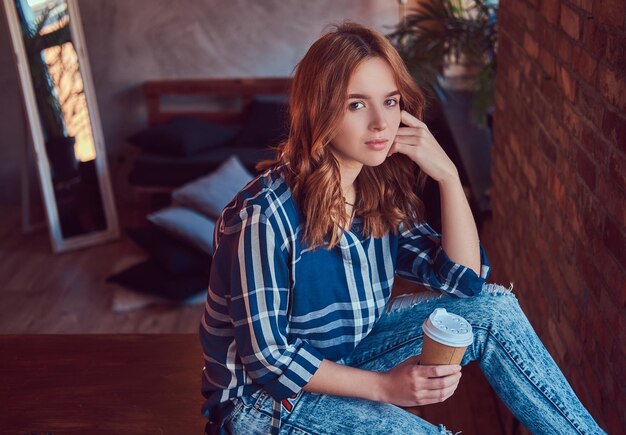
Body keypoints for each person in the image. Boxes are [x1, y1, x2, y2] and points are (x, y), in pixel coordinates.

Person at [198, 22, 605, 435]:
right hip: (262, 403)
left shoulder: (375, 190)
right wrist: (386, 387)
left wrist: (448, 174)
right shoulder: (263, 216)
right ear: (320, 108)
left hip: (345, 356)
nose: (380, 123)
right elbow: (269, 359)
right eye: (356, 104)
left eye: (390, 101)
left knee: (494, 310)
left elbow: (464, 282)